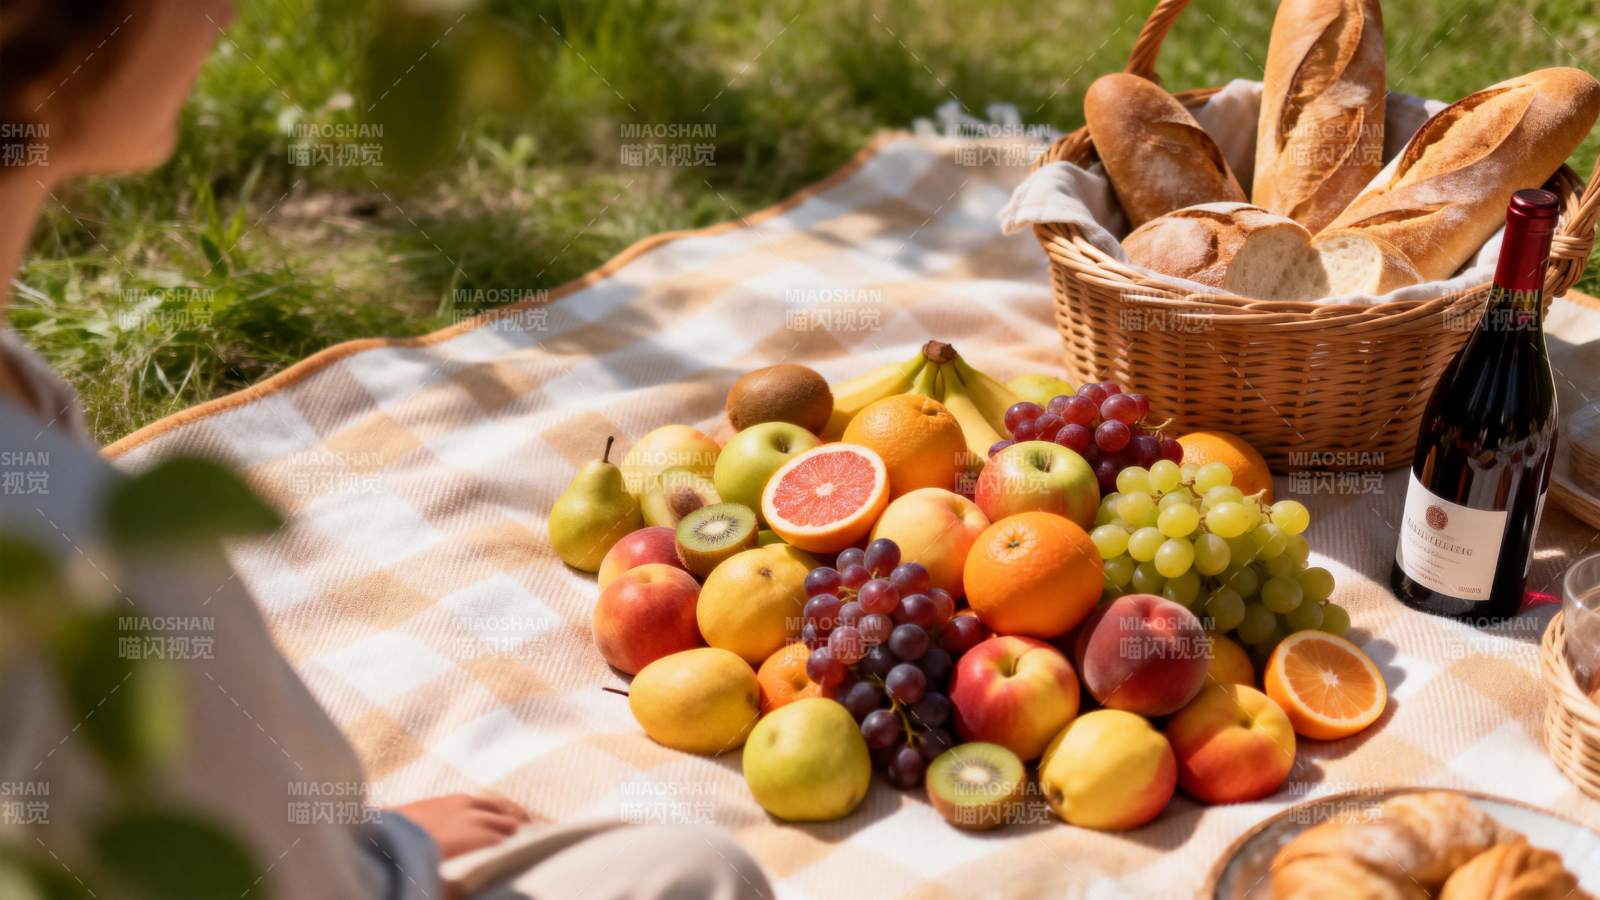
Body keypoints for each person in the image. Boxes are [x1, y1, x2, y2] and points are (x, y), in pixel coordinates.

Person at [0, 3, 770, 898]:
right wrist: (378, 869)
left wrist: (377, 843)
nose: (226, 10)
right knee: (696, 871)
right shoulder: (102, 562)